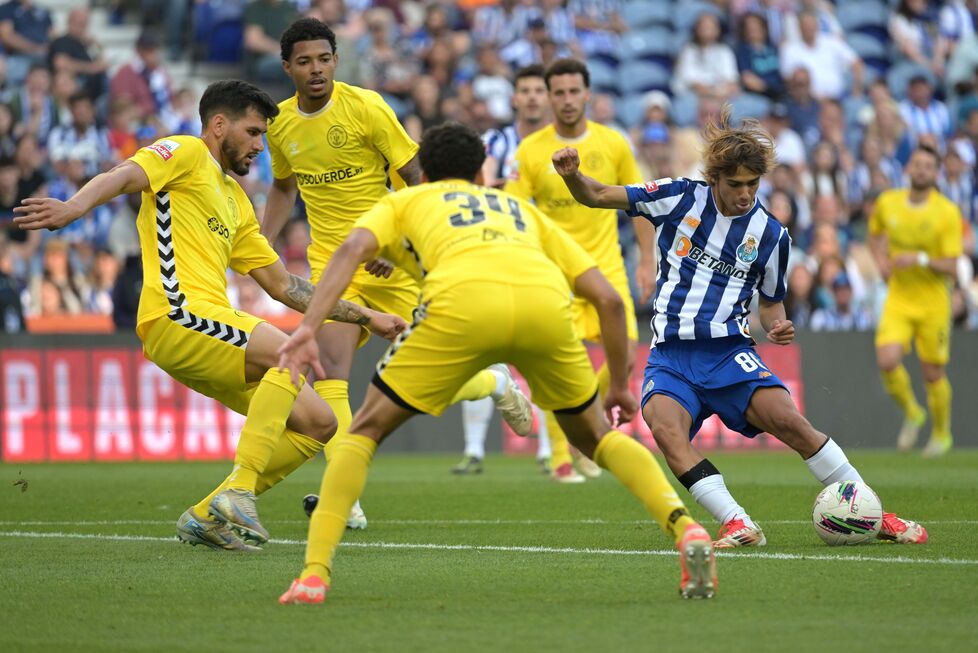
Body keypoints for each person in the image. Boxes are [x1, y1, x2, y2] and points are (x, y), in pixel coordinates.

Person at [276, 122, 717, 605]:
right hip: (544, 310)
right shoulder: (519, 210)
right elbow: (610, 301)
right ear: (482, 171)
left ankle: (315, 574)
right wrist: (619, 385)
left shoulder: (406, 200)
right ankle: (686, 528)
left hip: (460, 309)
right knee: (598, 438)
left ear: (423, 173)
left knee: (363, 432)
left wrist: (304, 330)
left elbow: (350, 249)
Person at [14, 79, 406, 552]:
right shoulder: (183, 152)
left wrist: (367, 316)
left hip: (213, 327)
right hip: (176, 313)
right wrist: (73, 207)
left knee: (318, 423)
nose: (260, 146)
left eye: (263, 135)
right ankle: (239, 491)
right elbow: (122, 175)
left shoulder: (238, 202)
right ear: (219, 125)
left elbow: (286, 286)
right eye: (253, 132)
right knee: (291, 351)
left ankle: (207, 515)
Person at [550, 105, 929, 548]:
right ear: (715, 177)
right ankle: (738, 522)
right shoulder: (677, 197)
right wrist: (572, 175)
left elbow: (771, 304)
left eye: (753, 184)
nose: (745, 193)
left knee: (792, 424)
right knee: (665, 429)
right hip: (672, 356)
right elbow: (596, 194)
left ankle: (873, 513)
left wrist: (779, 325)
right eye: (736, 184)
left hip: (730, 353)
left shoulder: (771, 235)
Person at [261, 18, 532, 525]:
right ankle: (347, 498)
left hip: (391, 260)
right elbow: (283, 188)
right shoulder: (279, 124)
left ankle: (493, 384)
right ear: (287, 68)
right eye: (304, 61)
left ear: (336, 61)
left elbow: (414, 176)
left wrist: (398, 234)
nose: (315, 69)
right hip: (332, 264)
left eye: (323, 59)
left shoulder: (366, 106)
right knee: (331, 376)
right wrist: (260, 242)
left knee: (432, 373)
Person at [506, 58, 648, 483]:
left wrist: (648, 259)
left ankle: (581, 436)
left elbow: (638, 202)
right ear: (549, 98)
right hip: (556, 272)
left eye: (574, 92)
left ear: (588, 94)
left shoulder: (614, 143)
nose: (567, 100)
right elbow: (514, 210)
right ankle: (562, 460)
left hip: (606, 267)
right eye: (559, 93)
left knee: (625, 353)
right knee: (557, 364)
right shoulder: (530, 150)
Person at [453, 63, 551, 476]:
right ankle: (474, 450)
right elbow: (480, 188)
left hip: (544, 260)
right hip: (495, 257)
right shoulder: (495, 141)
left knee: (546, 356)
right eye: (524, 90)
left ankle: (550, 451)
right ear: (514, 98)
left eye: (537, 90)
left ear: (545, 98)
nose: (531, 97)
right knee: (484, 352)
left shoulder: (558, 146)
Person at [869, 144, 963, 457]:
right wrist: (881, 259)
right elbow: (874, 234)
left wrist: (921, 258)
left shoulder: (946, 212)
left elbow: (952, 265)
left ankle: (941, 433)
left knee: (932, 373)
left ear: (935, 173)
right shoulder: (888, 203)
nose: (921, 170)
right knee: (887, 360)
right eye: (917, 164)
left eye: (928, 166)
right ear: (909, 167)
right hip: (899, 297)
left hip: (934, 302)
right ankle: (913, 411)